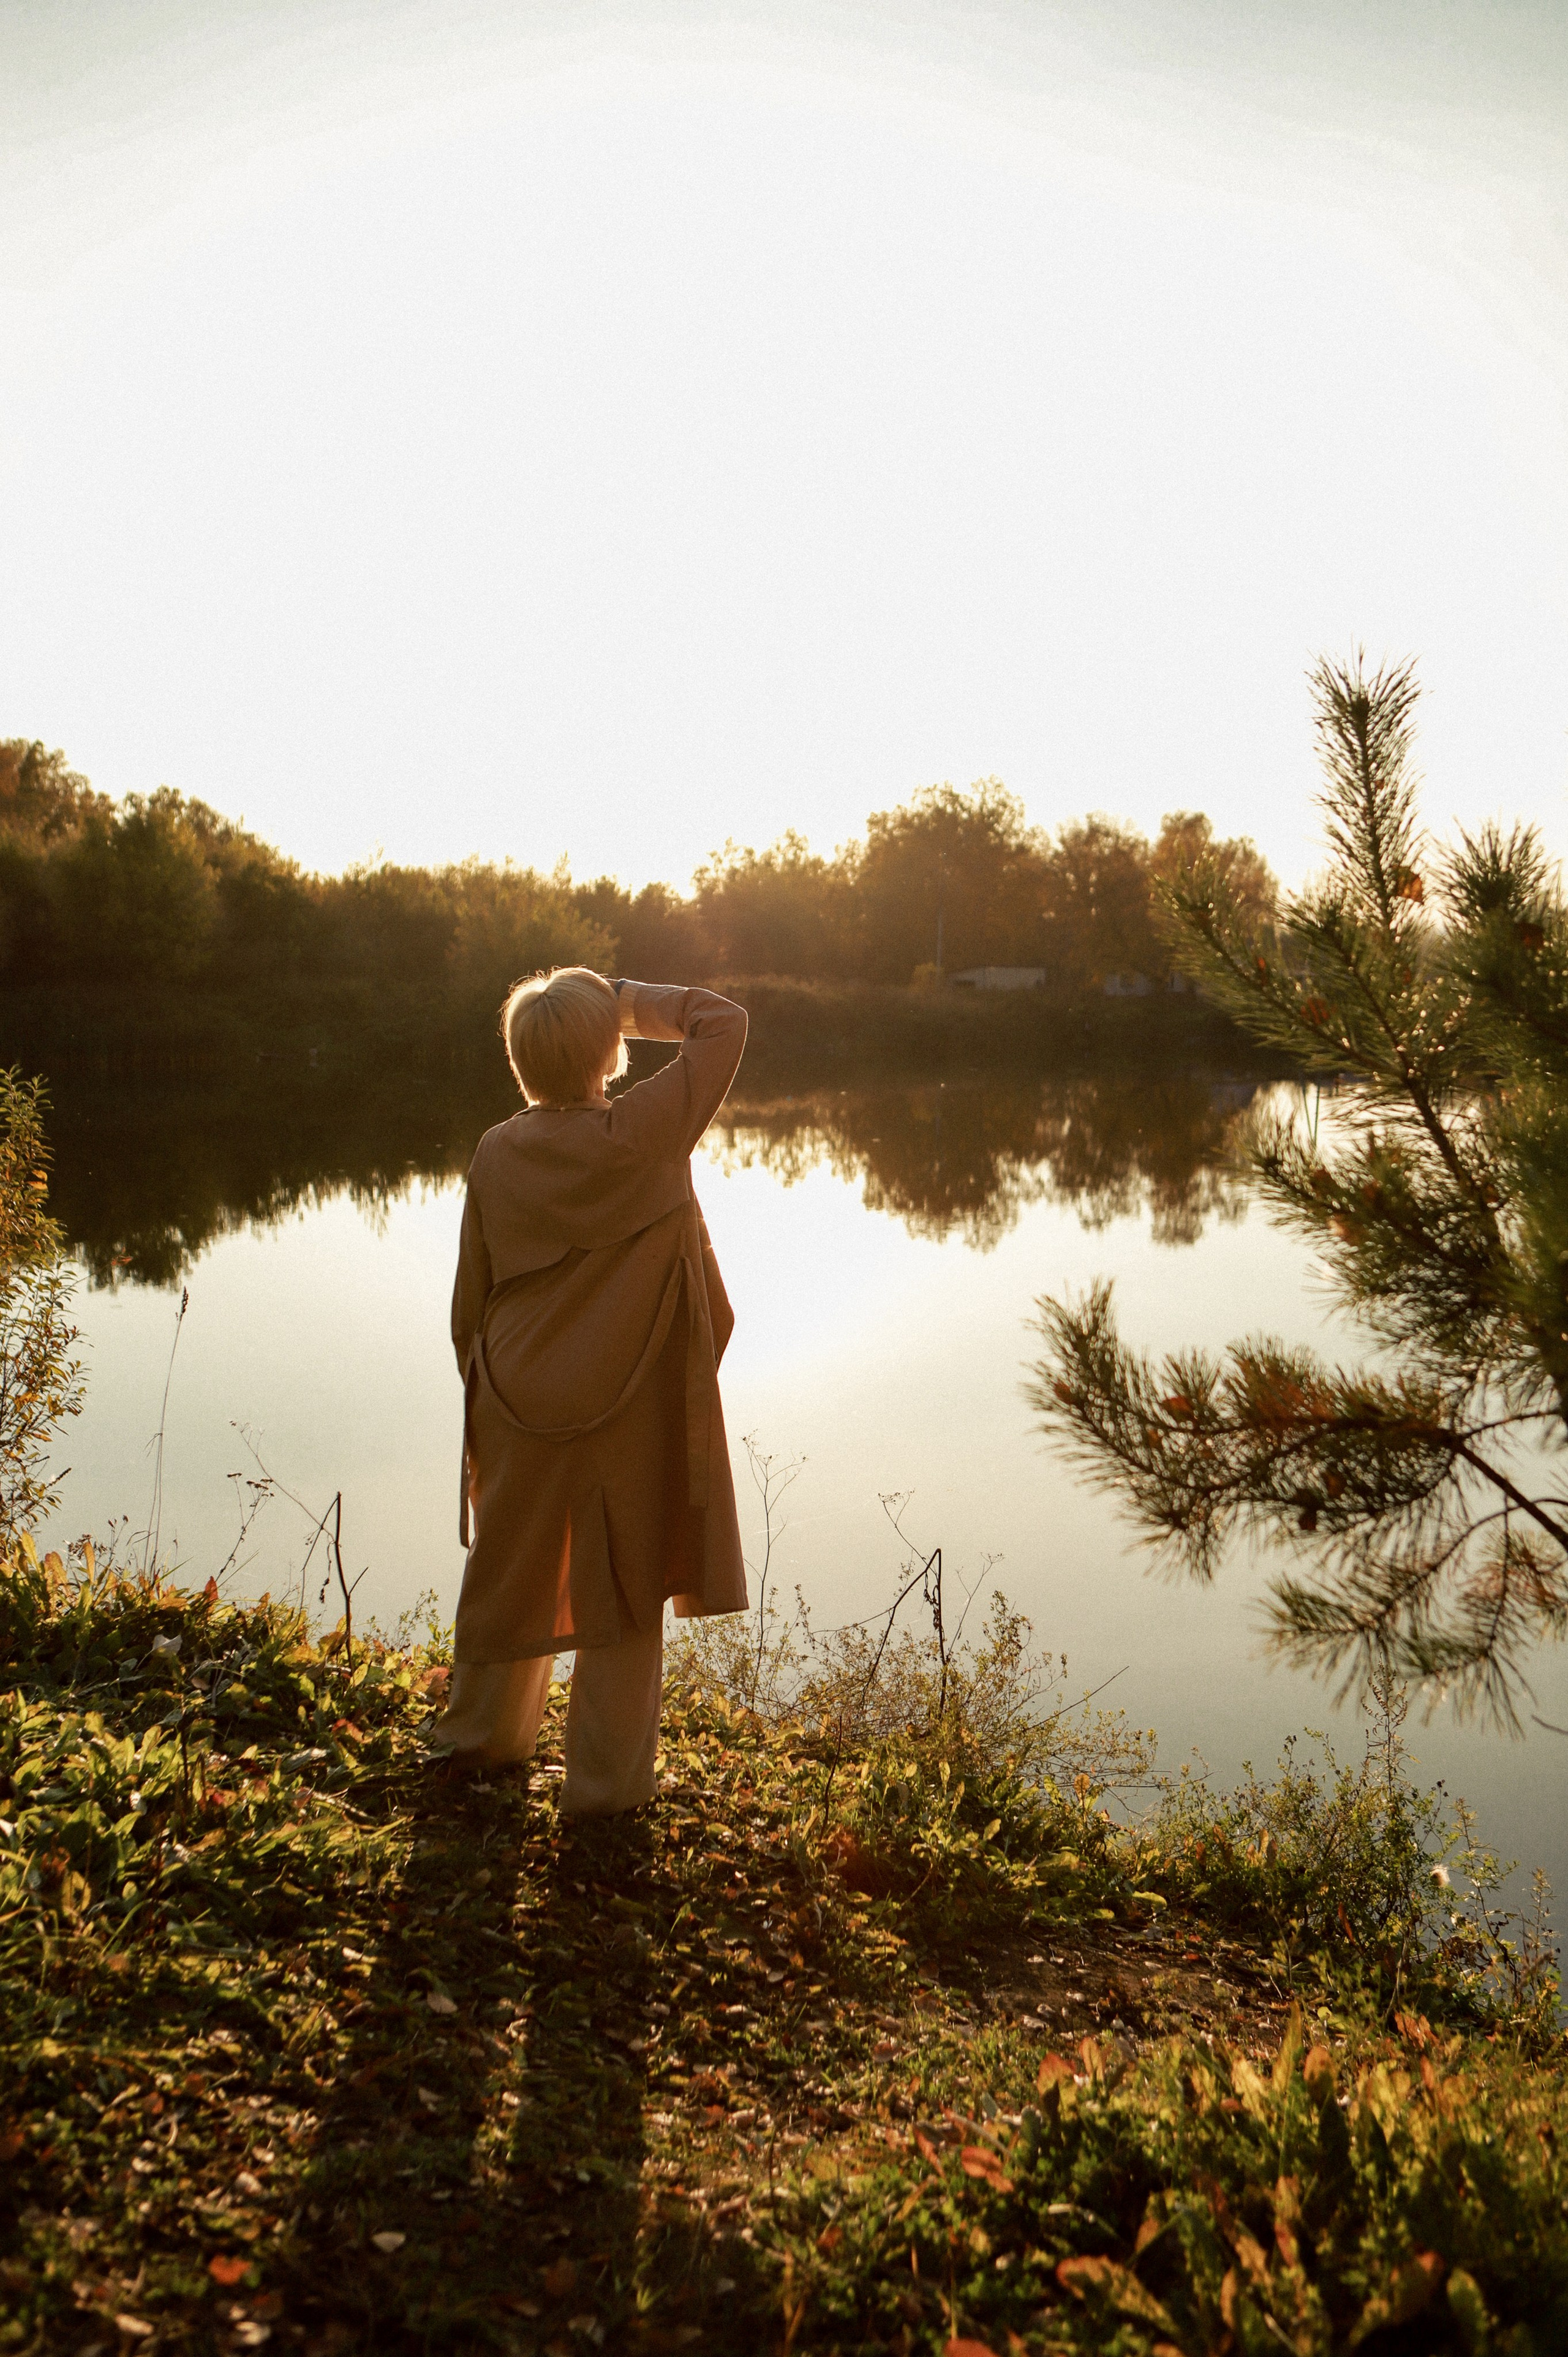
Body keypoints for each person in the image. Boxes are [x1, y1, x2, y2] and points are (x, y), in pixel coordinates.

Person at [430, 968, 748, 1812]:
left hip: (516, 1389)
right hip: (625, 1393)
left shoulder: (497, 1150)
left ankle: (480, 1740)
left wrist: (484, 1391)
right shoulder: (642, 1132)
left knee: (511, 1570)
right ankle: (606, 1789)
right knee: (624, 1586)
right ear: (609, 1051)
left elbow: (472, 1296)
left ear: (518, 1062)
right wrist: (623, 994)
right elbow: (724, 1024)